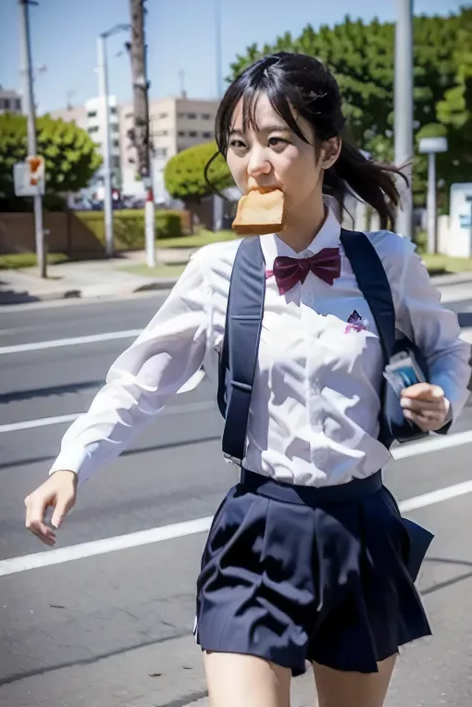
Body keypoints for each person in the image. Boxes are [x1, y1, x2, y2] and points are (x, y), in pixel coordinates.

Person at [25, 53, 470, 707]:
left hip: (363, 530)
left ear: (328, 150)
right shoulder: (217, 271)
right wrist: (72, 463)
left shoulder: (388, 263)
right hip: (259, 530)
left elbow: (447, 352)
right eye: (239, 144)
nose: (253, 163)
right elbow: (139, 383)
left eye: (277, 141)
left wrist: (442, 398)